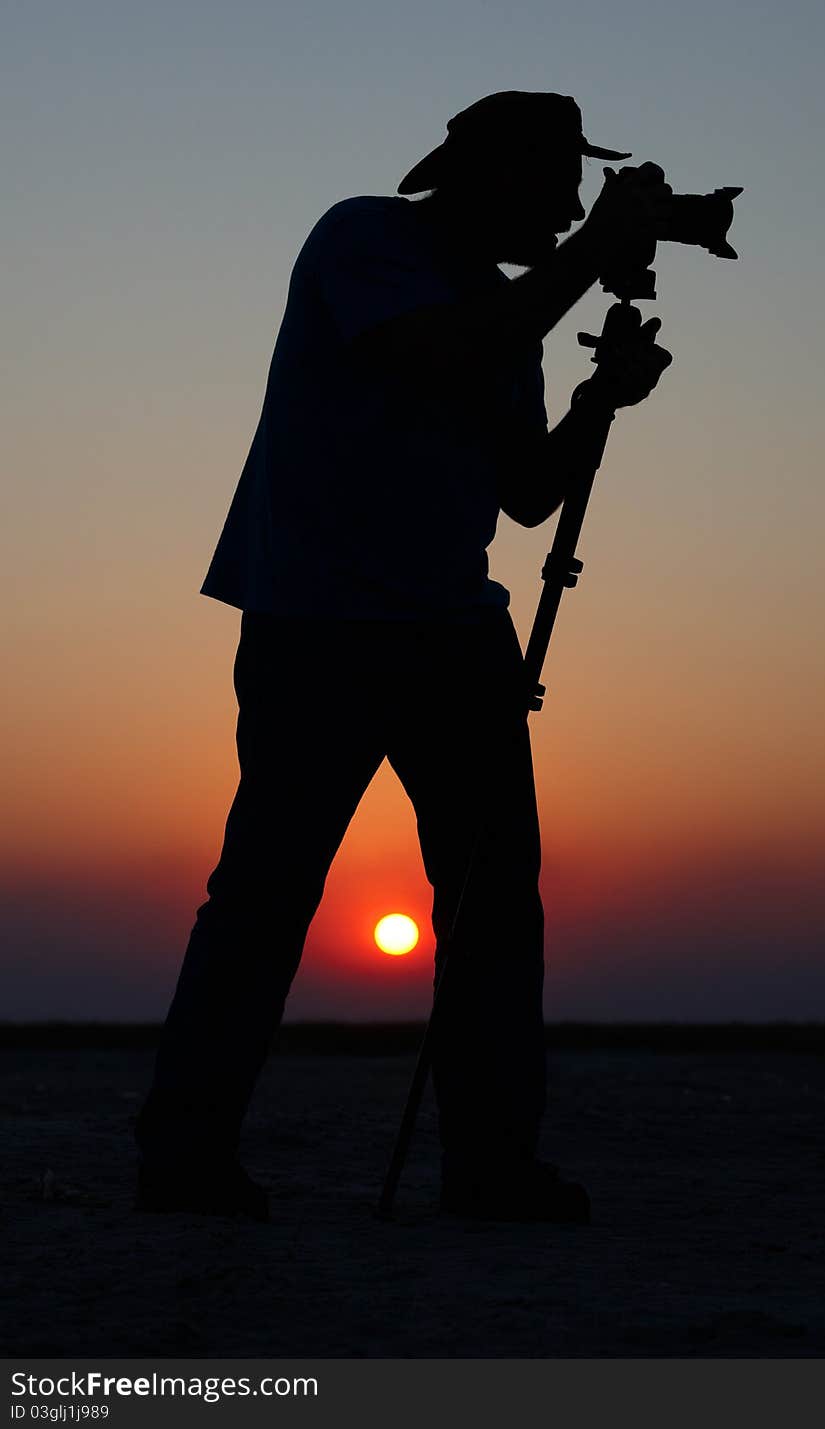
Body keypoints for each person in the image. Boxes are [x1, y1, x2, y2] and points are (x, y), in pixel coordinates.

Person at [134, 91, 672, 1223]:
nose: (573, 205)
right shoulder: (365, 238)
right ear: (495, 178)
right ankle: (185, 1155)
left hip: (452, 630)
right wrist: (589, 256)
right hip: (317, 622)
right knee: (268, 892)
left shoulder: (508, 308)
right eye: (559, 183)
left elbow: (526, 493)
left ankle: (490, 1165)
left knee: (492, 904)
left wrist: (597, 400)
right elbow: (435, 352)